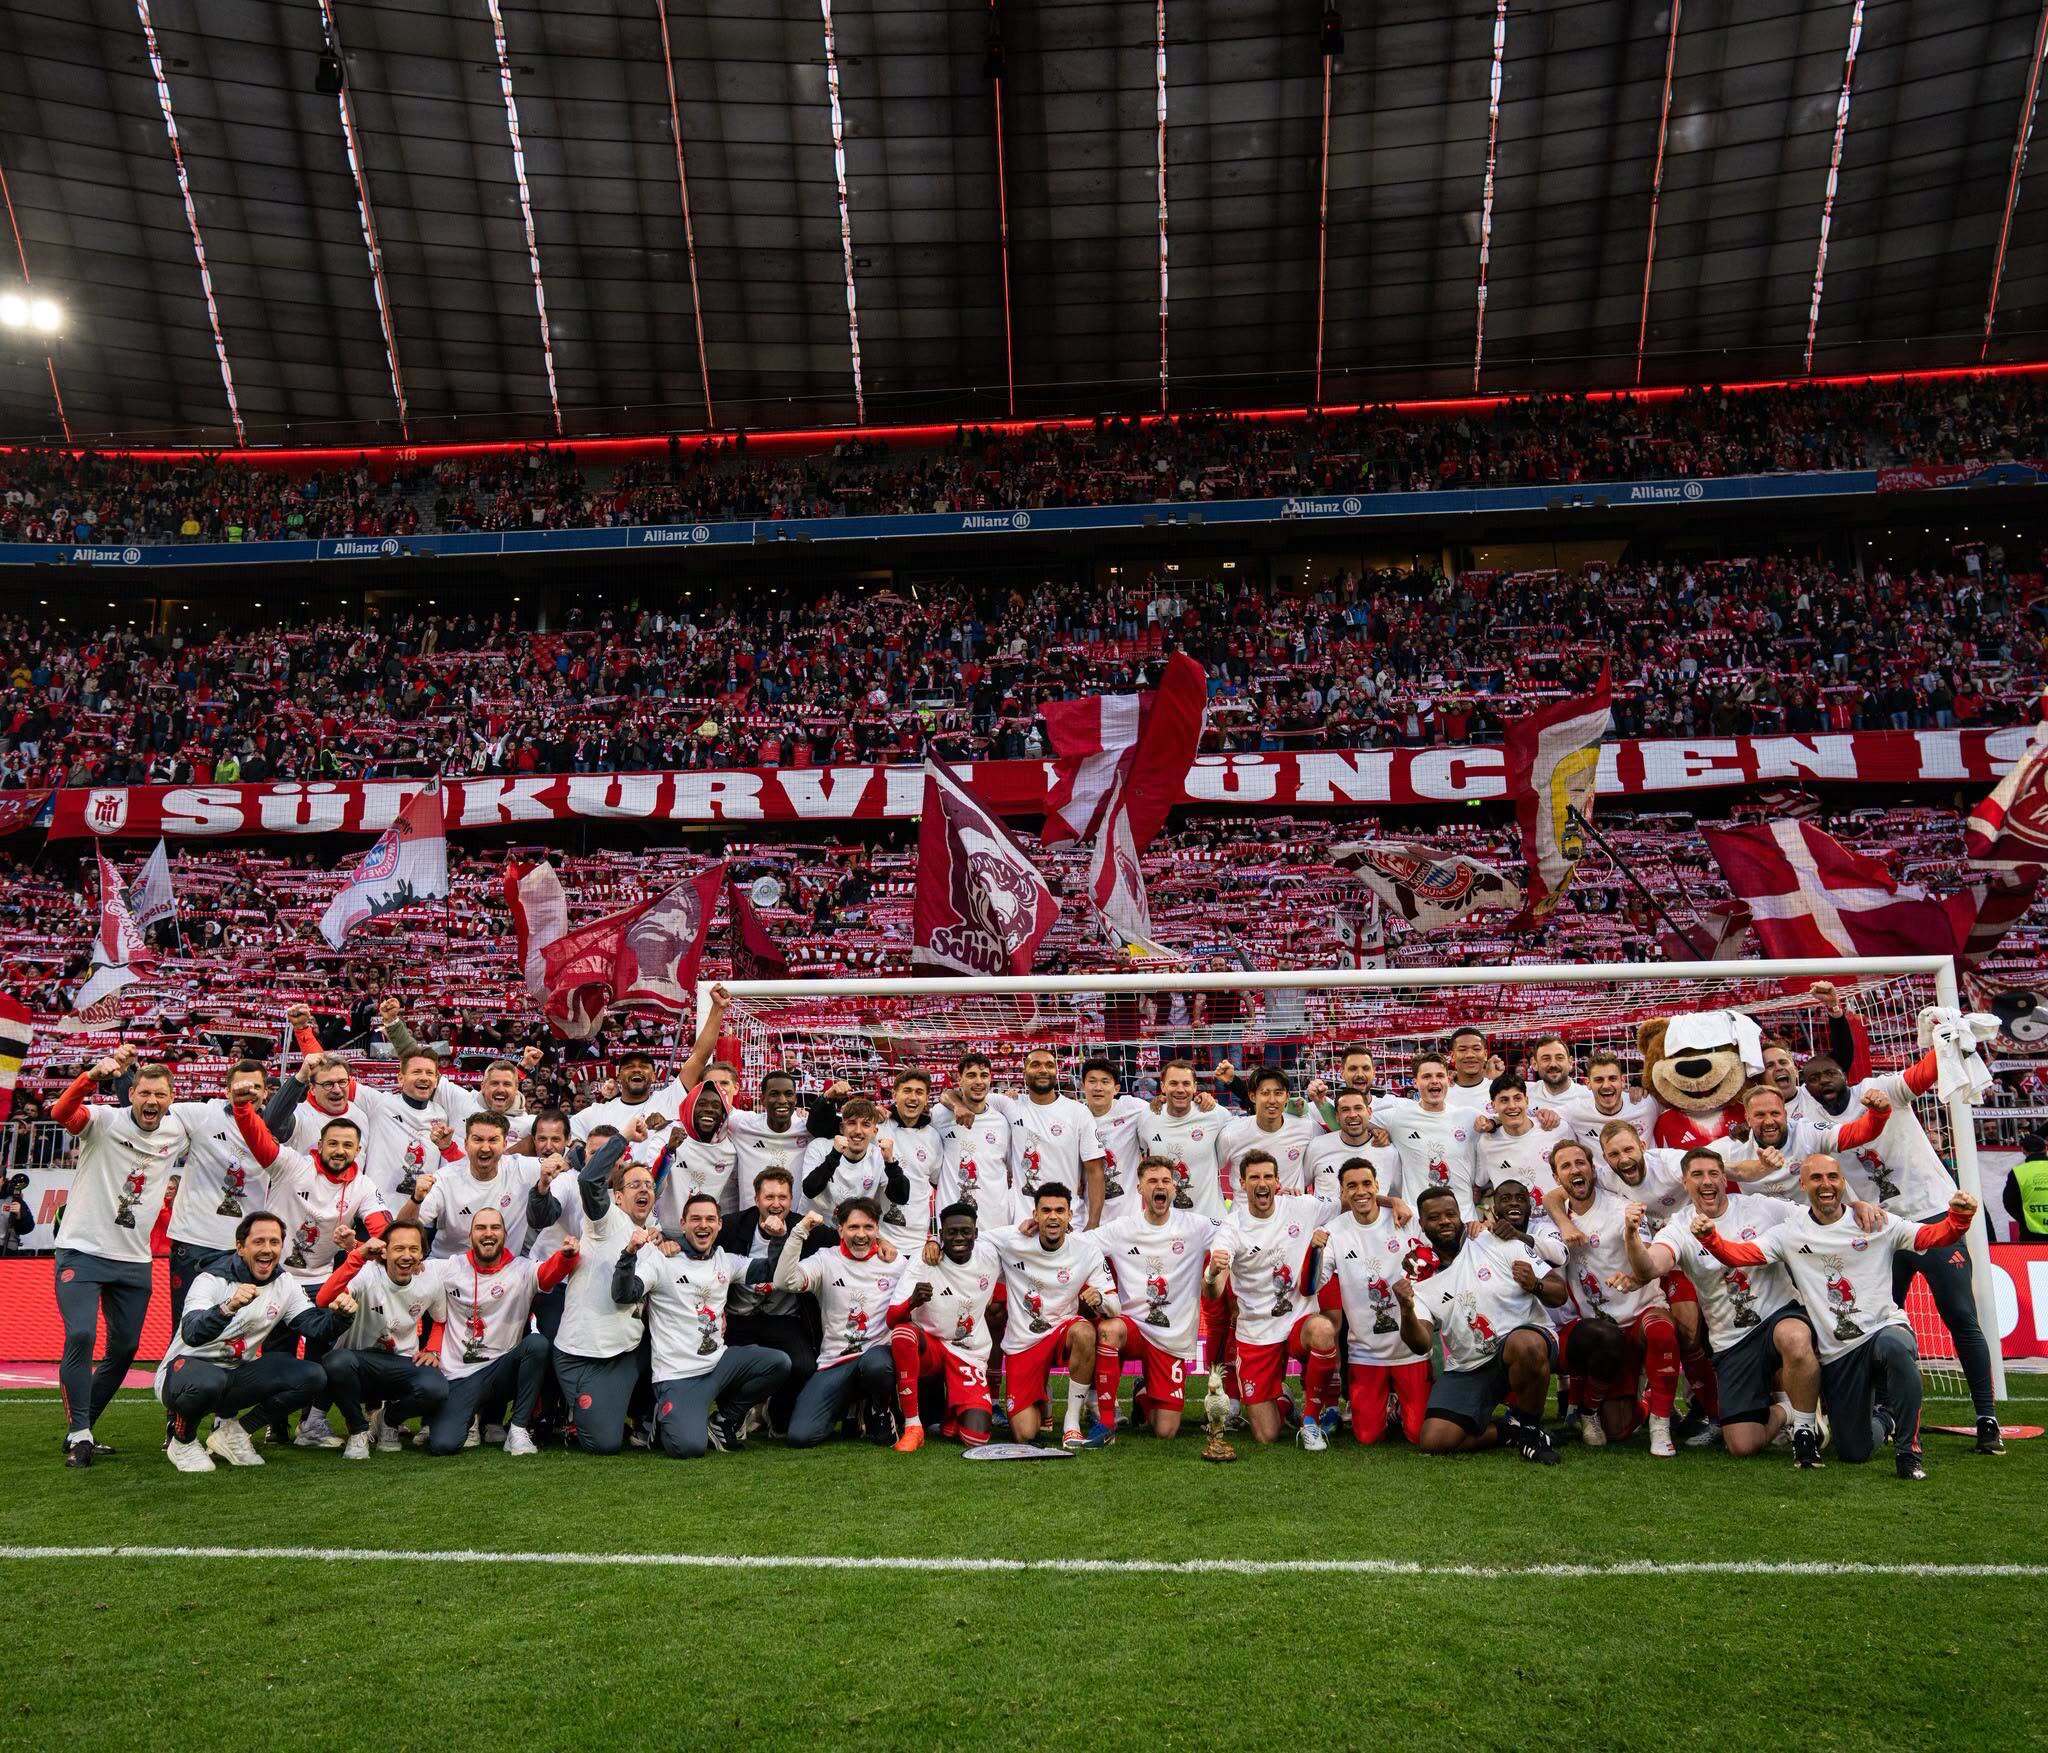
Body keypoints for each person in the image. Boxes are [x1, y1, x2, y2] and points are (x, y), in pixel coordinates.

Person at [1693, 1153, 1979, 1480]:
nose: (1825, 1185)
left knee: (1897, 1347)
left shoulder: (1875, 1221)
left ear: (1843, 1182)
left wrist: (1958, 1218)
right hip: (1839, 1353)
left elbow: (1929, 1237)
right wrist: (1710, 1239)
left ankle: (1908, 1452)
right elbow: (1741, 1254)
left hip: (1883, 1328)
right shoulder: (1790, 1233)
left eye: (1832, 1177)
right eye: (1816, 1178)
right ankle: (1886, 1418)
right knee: (1852, 1451)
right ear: (1803, 1185)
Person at [1796, 1040, 2001, 1451]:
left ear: (1844, 1074)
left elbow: (1922, 1075)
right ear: (1807, 1088)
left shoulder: (1880, 1087)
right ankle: (1885, 1412)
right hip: (1880, 1229)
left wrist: (1946, 1041)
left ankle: (1986, 1416)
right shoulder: (1813, 1124)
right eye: (1813, 1079)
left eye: (1829, 1073)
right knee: (1873, 1326)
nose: (1823, 1082)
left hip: (1932, 1215)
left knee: (1960, 1313)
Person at [1628, 1148, 1825, 1465]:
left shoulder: (1758, 1207)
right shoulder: (1679, 1227)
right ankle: (1787, 1410)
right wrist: (1631, 1236)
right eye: (1697, 1175)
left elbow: (1816, 1214)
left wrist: (1854, 1206)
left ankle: (1805, 1434)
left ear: (1724, 1178)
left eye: (1713, 1174)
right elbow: (1650, 1267)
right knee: (1742, 1444)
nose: (1707, 1181)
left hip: (1777, 1315)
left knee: (1795, 1338)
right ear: (1685, 1182)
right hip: (1732, 1340)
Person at [48, 1048, 191, 1467]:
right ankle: (79, 1433)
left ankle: (83, 1427)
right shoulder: (104, 1121)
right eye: (144, 1092)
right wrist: (90, 1076)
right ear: (131, 1094)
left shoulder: (177, 1131)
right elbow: (61, 1112)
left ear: (171, 1097)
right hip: (83, 1248)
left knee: (125, 1348)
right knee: (80, 1336)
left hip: (133, 1260)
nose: (151, 1101)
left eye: (160, 1094)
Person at [155, 1210, 353, 1472]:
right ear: (240, 1247)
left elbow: (315, 1326)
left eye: (274, 1242)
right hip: (183, 1374)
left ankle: (235, 1433)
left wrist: (341, 1317)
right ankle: (183, 1441)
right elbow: (192, 1334)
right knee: (209, 1380)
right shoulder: (210, 1279)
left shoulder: (285, 1284)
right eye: (258, 1242)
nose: (267, 1249)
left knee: (312, 1375)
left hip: (235, 1378)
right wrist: (228, 1307)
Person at [1392, 1178, 1567, 1464]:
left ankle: (1532, 1429)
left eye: (1450, 1214)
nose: (1445, 1222)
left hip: (1521, 1345)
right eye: (1434, 1218)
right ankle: (1510, 1431)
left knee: (1525, 1344)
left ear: (1461, 1215)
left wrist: (1535, 1284)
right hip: (1469, 1364)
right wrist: (1406, 1309)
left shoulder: (1496, 1242)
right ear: (1422, 1225)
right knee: (1434, 1440)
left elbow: (1558, 1293)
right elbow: (1420, 1343)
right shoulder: (1419, 1274)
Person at [613, 1191, 790, 1458]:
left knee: (779, 1363)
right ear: (682, 1224)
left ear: (720, 1224)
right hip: (678, 1374)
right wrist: (628, 1255)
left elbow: (771, 1271)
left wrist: (777, 1239)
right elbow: (624, 1294)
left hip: (719, 1364)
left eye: (710, 1219)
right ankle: (660, 1421)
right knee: (689, 1447)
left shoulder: (725, 1259)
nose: (703, 1225)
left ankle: (724, 1421)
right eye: (695, 1219)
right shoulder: (662, 1260)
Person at [1546, 1140, 1681, 1455]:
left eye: (1581, 1163)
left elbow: (1648, 1258)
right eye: (1565, 1166)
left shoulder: (1622, 1209)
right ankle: (1626, 1404)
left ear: (1593, 1169)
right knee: (1618, 1429)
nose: (1575, 1170)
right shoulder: (1552, 1219)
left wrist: (1631, 1240)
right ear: (1556, 1178)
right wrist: (1563, 1223)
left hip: (1640, 1313)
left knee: (1662, 1330)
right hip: (1603, 1333)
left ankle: (1661, 1427)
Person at [1205, 1150, 1339, 1449]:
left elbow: (1351, 1200)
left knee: (1323, 1330)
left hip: (1297, 1319)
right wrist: (1213, 1274)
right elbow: (1214, 1290)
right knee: (1266, 1435)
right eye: (1254, 1177)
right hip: (1257, 1331)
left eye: (1267, 1176)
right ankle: (1284, 1400)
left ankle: (1310, 1420)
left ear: (1278, 1181)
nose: (1261, 1182)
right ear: (1242, 1183)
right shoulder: (1232, 1227)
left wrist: (1392, 1201)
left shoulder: (1302, 1206)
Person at [985, 1183, 1121, 1447]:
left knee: (1084, 1331)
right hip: (1023, 1344)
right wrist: (1016, 1228)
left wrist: (1101, 1299)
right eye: (1045, 1210)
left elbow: (1115, 1306)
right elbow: (975, 1238)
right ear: (1035, 1215)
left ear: (1070, 1215)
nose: (1053, 1216)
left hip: (1061, 1333)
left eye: (1060, 1210)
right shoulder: (1013, 1240)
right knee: (1025, 1434)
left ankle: (1071, 1423)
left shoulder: (1085, 1250)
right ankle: (1042, 1401)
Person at [542, 1125, 649, 1454]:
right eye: (634, 1184)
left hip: (624, 1351)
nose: (643, 1189)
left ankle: (644, 1416)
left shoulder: (649, 1236)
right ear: (617, 1196)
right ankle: (574, 1413)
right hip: (583, 1353)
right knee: (603, 1444)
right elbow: (589, 1180)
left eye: (648, 1184)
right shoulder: (606, 1221)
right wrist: (625, 1137)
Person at [424, 1205, 563, 1457]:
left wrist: (567, 1255)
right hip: (459, 1377)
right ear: (470, 1236)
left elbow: (548, 1274)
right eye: (481, 1228)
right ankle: (469, 1419)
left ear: (504, 1235)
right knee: (443, 1445)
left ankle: (518, 1429)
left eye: (495, 1227)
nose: (488, 1233)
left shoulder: (521, 1268)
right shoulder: (449, 1268)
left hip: (501, 1372)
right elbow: (411, 1268)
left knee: (538, 1345)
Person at [1316, 1155, 1433, 1446]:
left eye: (1367, 1183)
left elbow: (1435, 1255)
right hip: (1366, 1352)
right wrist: (1314, 1252)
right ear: (1342, 1192)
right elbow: (1314, 1283)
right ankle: (1387, 1406)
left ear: (1377, 1185)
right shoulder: (1334, 1231)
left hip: (1410, 1349)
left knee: (1419, 1435)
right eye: (1351, 1186)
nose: (1361, 1191)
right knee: (1368, 1437)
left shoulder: (1404, 1220)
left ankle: (1403, 1402)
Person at [1098, 1157, 1215, 1438]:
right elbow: (1078, 1246)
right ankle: (1105, 1422)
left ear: (1174, 1187)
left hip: (1170, 1338)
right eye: (1152, 1181)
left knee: (1165, 1430)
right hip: (1133, 1328)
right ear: (1139, 1188)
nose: (1159, 1186)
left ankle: (1142, 1393)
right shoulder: (1121, 1228)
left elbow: (1236, 1232)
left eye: (1165, 1181)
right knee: (1107, 1330)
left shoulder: (1197, 1227)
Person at [315, 1221, 452, 1459]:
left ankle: (388, 1420)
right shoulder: (368, 1273)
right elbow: (323, 1298)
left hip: (401, 1364)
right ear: (385, 1251)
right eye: (399, 1248)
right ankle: (358, 1430)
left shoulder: (430, 1280)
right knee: (336, 1361)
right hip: (358, 1364)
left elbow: (440, 1320)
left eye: (413, 1249)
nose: (407, 1255)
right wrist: (357, 1254)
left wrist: (432, 1349)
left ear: (422, 1253)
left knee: (436, 1387)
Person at [774, 1199, 903, 1448]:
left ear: (878, 1229)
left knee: (878, 1364)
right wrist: (799, 1231)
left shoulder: (896, 1263)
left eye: (868, 1227)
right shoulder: (825, 1260)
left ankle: (879, 1410)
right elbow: (784, 1282)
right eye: (853, 1227)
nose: (861, 1235)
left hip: (876, 1357)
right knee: (801, 1436)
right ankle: (852, 1406)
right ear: (840, 1229)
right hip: (835, 1361)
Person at [164, 1058, 273, 1326]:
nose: (248, 1092)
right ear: (226, 1090)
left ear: (266, 1092)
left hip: (244, 1247)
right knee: (187, 1325)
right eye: (240, 1086)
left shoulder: (278, 1127)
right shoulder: (202, 1114)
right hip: (194, 1240)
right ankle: (176, 1369)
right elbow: (149, 1112)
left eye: (255, 1087)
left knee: (238, 1328)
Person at [886, 1200, 1002, 1450]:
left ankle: (952, 1413)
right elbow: (892, 1318)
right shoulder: (924, 1259)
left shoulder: (991, 1255)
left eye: (965, 1232)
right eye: (951, 1232)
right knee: (903, 1333)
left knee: (975, 1438)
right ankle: (913, 1426)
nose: (959, 1237)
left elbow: (1018, 1240)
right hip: (934, 1348)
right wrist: (912, 1302)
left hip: (968, 1353)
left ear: (976, 1234)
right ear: (940, 1235)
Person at [570, 987, 730, 1166]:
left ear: (654, 1076)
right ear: (618, 1076)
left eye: (644, 1067)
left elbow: (700, 1057)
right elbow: (567, 1137)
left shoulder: (670, 1098)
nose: (637, 1070)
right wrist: (578, 1154)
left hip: (657, 1192)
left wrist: (718, 1008)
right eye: (629, 1066)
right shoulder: (597, 1112)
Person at [720, 1167, 818, 1433]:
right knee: (718, 1361)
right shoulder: (732, 1226)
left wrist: (882, 1241)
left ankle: (775, 1412)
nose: (776, 1204)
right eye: (769, 1197)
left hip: (782, 1318)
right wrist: (672, 1244)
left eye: (783, 1197)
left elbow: (846, 1234)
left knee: (804, 1365)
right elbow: (697, 1241)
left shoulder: (804, 1227)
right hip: (740, 1317)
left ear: (791, 1199)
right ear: (756, 1199)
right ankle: (735, 1411)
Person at [986, 1047, 1107, 1229]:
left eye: (1049, 1065)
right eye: (1036, 1065)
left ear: (1056, 1072)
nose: (1043, 1070)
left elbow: (1095, 1171)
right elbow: (961, 1095)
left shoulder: (1078, 1112)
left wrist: (1093, 1223)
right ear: (1024, 1071)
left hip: (1069, 1223)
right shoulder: (1010, 1106)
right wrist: (957, 1106)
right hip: (1023, 1224)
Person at [403, 1111, 543, 1257]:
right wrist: (415, 1199)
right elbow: (403, 1229)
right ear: (466, 1144)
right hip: (448, 1268)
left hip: (503, 1272)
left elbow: (563, 1164)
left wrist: (564, 1157)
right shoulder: (445, 1178)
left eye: (493, 1140)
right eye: (478, 1139)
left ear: (505, 1144)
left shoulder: (522, 1169)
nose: (485, 1148)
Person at [1374, 1052, 1480, 1226]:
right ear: (1415, 1082)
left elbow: (1505, 1121)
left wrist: (1538, 1115)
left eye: (1440, 1075)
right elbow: (1352, 1120)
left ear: (1448, 1080)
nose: (1434, 1081)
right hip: (1418, 1223)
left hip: (1465, 1222)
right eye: (1426, 1076)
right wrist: (1376, 1133)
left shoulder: (1469, 1116)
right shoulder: (1397, 1117)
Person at [799, 1096, 911, 1227]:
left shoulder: (878, 1155)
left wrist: (890, 1163)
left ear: (874, 1131)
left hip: (852, 1234)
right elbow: (809, 1190)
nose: (858, 1131)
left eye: (866, 1124)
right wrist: (835, 1155)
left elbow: (901, 1198)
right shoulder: (819, 1147)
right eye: (852, 1123)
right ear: (842, 1128)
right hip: (813, 1230)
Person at [1137, 1058, 1227, 1218]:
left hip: (1209, 1221)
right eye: (1173, 1083)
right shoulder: (1147, 1118)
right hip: (1166, 1223)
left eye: (1186, 1084)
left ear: (1195, 1087)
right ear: (1163, 1087)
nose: (1180, 1089)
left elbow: (1250, 1128)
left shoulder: (1215, 1114)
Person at [1215, 1068, 1322, 1200]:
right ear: (1252, 1096)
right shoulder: (1231, 1134)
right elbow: (1210, 1168)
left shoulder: (1307, 1127)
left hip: (1290, 1216)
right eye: (1265, 1093)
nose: (1272, 1100)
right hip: (1245, 1217)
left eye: (1278, 1093)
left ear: (1287, 1097)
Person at [934, 1051, 1016, 1224]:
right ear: (960, 1079)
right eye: (971, 1075)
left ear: (990, 1079)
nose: (979, 1081)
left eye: (984, 1075)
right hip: (954, 1225)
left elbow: (1010, 1168)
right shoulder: (940, 1115)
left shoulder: (1001, 1122)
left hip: (996, 1223)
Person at [1471, 1075, 1573, 1211]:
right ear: (1493, 1106)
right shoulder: (1486, 1143)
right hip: (1516, 1228)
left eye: (1517, 1098)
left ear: (1527, 1100)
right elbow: (1479, 1185)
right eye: (1504, 1100)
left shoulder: (1557, 1129)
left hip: (1561, 1222)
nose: (1512, 1106)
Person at [1079, 1057, 1151, 1225]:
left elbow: (1166, 1109)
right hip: (1086, 1217)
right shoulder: (1075, 1116)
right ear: (1083, 1086)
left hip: (1126, 1218)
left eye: (1105, 1082)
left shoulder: (1132, 1108)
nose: (1098, 1088)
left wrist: (1202, 1100)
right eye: (1092, 1081)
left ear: (1116, 1088)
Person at [1303, 1088, 1399, 1202]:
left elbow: (1397, 1194)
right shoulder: (1317, 1146)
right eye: (1345, 1110)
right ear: (1337, 1116)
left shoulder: (1389, 1152)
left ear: (1369, 1112)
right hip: (1327, 1220)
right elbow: (1302, 1182)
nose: (1353, 1114)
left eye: (1358, 1108)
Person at [2005, 1130, 2048, 1240]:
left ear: (2023, 1150)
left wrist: (2024, 1219)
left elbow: (2009, 1202)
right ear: (2046, 1148)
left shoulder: (2017, 1172)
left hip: (2032, 1235)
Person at [1442, 1026, 1493, 1111]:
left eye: (1476, 1049)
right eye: (1462, 1050)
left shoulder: (1499, 1090)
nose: (1470, 1055)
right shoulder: (1441, 1093)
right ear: (1452, 1056)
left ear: (1485, 1055)